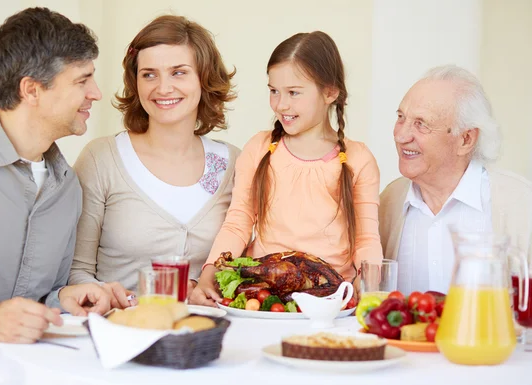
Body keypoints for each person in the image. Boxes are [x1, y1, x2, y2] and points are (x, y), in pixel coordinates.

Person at [0, 8, 124, 385]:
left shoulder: (67, 186)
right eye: (83, 80)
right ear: (32, 90)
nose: (96, 94)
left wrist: (65, 299)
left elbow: (38, 296)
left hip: (26, 382)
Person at [190, 31, 383, 306]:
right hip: (265, 297)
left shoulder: (358, 159)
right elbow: (238, 221)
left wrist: (370, 283)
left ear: (330, 92)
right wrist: (211, 270)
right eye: (274, 91)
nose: (281, 105)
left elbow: (366, 238)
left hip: (333, 299)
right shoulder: (260, 148)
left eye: (294, 93)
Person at [68, 15, 239, 297]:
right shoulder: (102, 159)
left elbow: (240, 268)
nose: (163, 88)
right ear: (136, 83)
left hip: (203, 334)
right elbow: (76, 271)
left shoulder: (232, 163)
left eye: (179, 72)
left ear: (204, 77)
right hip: (120, 330)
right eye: (149, 74)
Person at [379, 65, 532, 295]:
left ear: (466, 139)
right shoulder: (388, 203)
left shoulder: (520, 204)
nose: (401, 136)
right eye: (401, 117)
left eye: (421, 124)